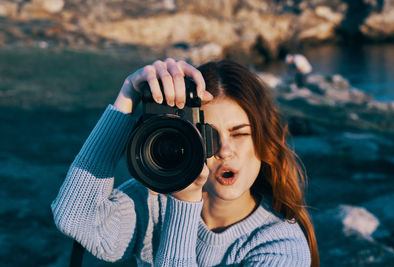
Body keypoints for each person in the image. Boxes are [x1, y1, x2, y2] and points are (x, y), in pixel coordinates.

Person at [51, 58, 319, 266]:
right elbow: (74, 217)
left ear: (264, 141)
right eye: (209, 136)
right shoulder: (154, 202)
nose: (225, 151)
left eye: (240, 133)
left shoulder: (281, 245)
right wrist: (128, 97)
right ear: (188, 139)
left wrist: (184, 204)